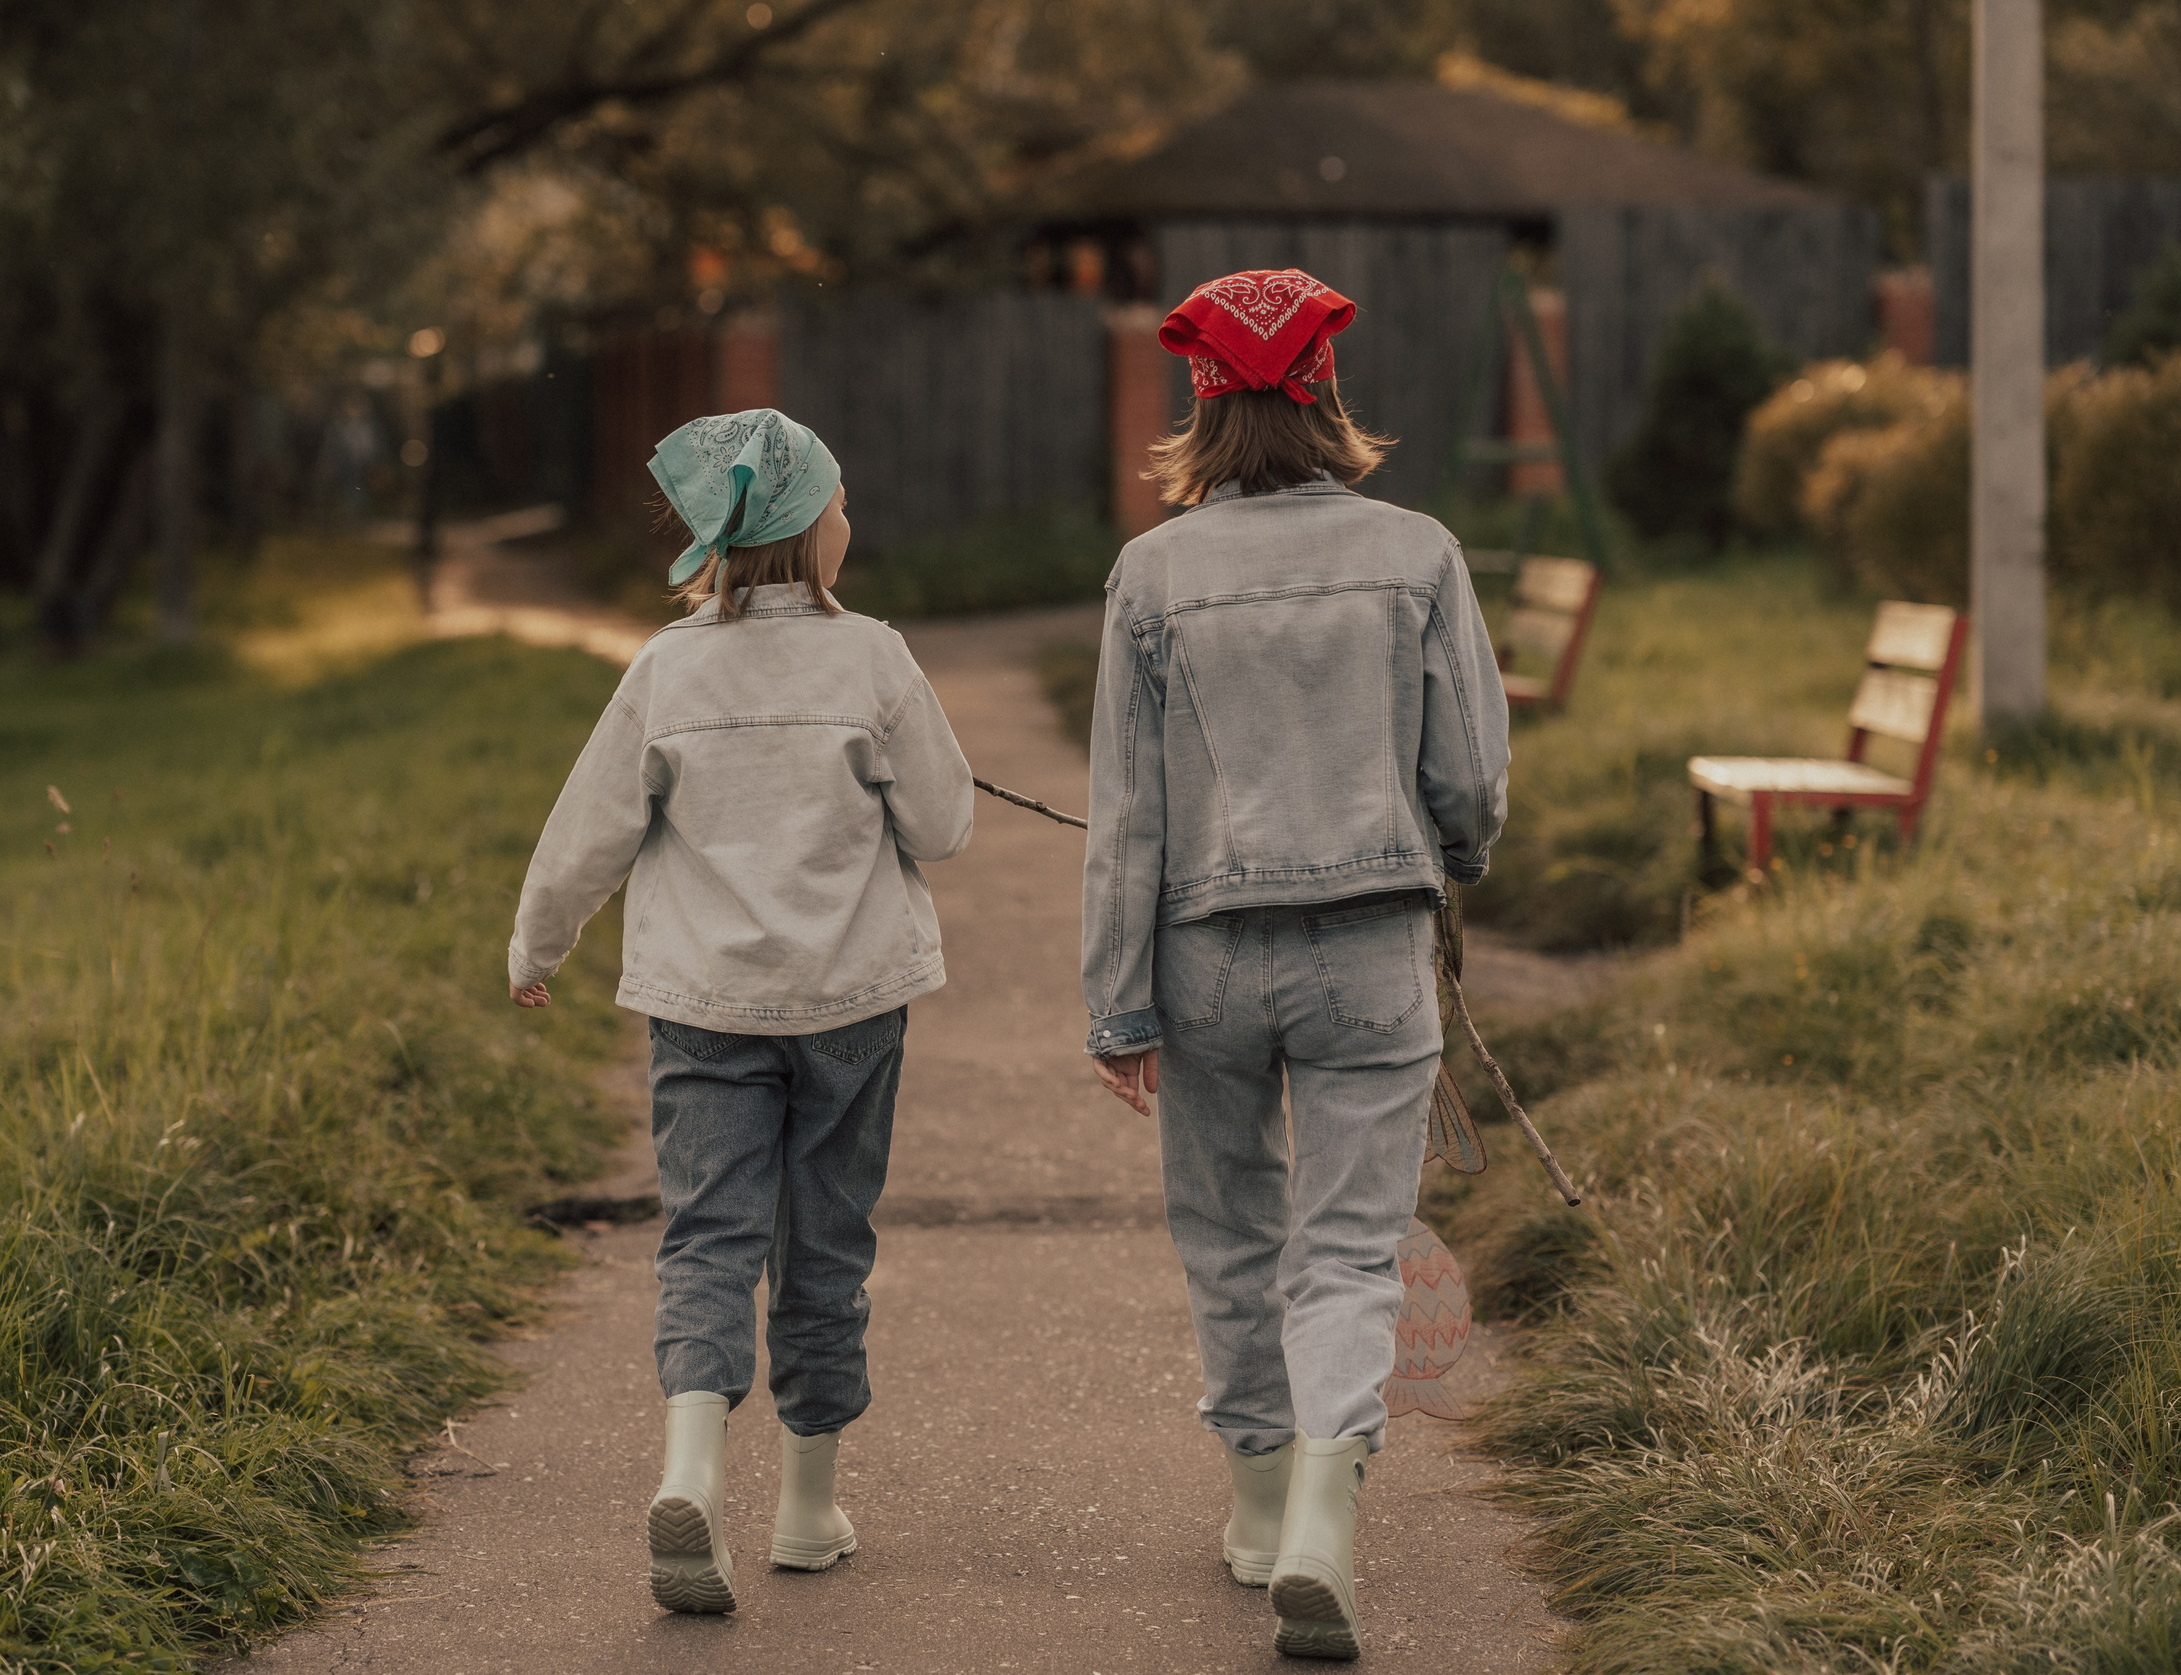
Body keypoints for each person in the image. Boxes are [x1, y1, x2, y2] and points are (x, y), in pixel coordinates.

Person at [1079, 270, 1510, 1661]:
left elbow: (1125, 816)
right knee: (1346, 1238)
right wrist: (1457, 857)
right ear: (1327, 393)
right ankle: (1329, 1509)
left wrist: (1118, 997)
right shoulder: (1421, 552)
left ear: (1203, 414)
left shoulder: (1154, 572)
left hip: (1202, 950)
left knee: (1228, 1228)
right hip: (1372, 945)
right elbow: (1472, 774)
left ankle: (1261, 1510)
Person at [507, 408, 974, 1615]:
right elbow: (944, 825)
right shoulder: (873, 657)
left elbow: (586, 832)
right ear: (816, 535)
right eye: (841, 507)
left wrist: (534, 944)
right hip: (849, 1004)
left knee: (707, 1239)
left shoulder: (666, 669)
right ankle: (808, 1510)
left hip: (703, 1004)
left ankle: (691, 1471)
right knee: (824, 1242)